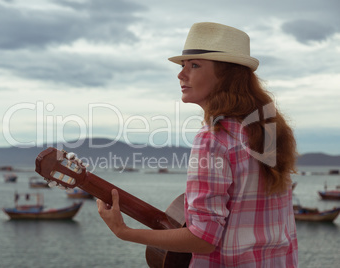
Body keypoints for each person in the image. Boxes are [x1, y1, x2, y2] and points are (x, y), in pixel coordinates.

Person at [97, 22, 298, 267]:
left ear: (227, 75)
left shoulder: (214, 137)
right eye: (183, 66)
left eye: (194, 66)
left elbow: (204, 239)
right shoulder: (270, 131)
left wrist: (123, 231)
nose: (181, 74)